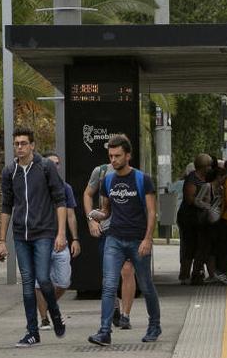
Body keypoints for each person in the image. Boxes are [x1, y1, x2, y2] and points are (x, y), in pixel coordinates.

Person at [87, 135, 162, 346]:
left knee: (146, 285)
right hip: (114, 239)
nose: (113, 160)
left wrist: (148, 239)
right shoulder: (107, 180)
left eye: (118, 156)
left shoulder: (142, 179)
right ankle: (104, 331)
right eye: (111, 156)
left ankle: (154, 325)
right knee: (109, 285)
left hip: (137, 240)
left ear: (128, 156)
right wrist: (95, 216)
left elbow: (151, 212)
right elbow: (106, 210)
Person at [0, 127, 67, 347]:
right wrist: (1, 241)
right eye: (16, 143)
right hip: (21, 235)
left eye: (24, 143)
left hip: (44, 232)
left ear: (32, 145)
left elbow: (60, 200)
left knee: (44, 279)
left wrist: (61, 233)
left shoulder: (45, 167)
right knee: (28, 283)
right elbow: (6, 206)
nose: (20, 147)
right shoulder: (10, 172)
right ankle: (32, 332)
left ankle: (54, 314)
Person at [84, 153, 136, 330]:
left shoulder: (136, 176)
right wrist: (91, 219)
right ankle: (114, 307)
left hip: (128, 230)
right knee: (110, 274)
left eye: (119, 154)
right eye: (112, 154)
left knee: (127, 271)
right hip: (107, 229)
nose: (116, 158)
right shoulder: (101, 172)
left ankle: (125, 315)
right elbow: (87, 194)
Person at [35, 152, 81, 328]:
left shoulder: (65, 187)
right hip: (39, 240)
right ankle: (44, 318)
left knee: (63, 282)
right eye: (51, 163)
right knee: (40, 282)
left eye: (58, 163)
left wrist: (75, 238)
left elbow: (70, 215)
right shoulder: (35, 186)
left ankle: (49, 306)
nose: (55, 166)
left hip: (61, 242)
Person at [178, 154, 213, 285]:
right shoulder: (192, 179)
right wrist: (204, 204)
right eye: (209, 165)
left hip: (202, 219)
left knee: (201, 247)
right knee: (189, 247)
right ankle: (185, 275)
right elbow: (190, 198)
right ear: (203, 167)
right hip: (189, 219)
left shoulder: (206, 178)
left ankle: (197, 274)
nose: (210, 168)